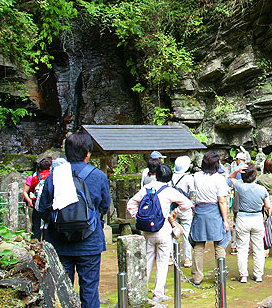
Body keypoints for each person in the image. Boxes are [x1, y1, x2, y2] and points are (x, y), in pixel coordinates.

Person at [38, 132, 111, 308]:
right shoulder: (98, 176)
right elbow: (105, 206)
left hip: (60, 241)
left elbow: (42, 207)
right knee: (89, 289)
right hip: (90, 241)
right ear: (88, 152)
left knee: (62, 290)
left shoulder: (55, 175)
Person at [127, 164, 192, 303]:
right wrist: (174, 212)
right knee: (162, 263)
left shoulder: (146, 188)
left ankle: (141, 291)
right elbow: (187, 204)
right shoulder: (169, 191)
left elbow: (131, 204)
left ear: (155, 174)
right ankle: (158, 293)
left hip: (146, 231)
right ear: (169, 177)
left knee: (147, 261)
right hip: (163, 230)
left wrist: (139, 218)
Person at [189, 151, 231, 285]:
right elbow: (222, 201)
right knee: (219, 244)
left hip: (200, 212)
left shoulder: (196, 176)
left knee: (198, 245)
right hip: (215, 212)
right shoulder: (219, 178)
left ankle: (197, 277)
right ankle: (220, 275)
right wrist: (225, 220)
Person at [230, 163, 270, 282]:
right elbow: (267, 205)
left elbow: (231, 177)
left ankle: (243, 275)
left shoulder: (240, 187)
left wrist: (237, 170)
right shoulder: (261, 189)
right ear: (255, 175)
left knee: (242, 248)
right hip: (257, 218)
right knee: (258, 248)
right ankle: (258, 275)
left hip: (242, 218)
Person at [170, 155, 195, 267]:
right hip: (185, 208)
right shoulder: (188, 178)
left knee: (173, 232)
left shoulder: (170, 177)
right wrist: (189, 199)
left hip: (173, 208)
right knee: (186, 233)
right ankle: (187, 259)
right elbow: (192, 191)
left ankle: (171, 257)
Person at [22, 156, 52, 240]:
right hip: (49, 206)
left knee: (36, 227)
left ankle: (34, 246)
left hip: (36, 205)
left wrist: (30, 202)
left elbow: (24, 192)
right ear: (50, 167)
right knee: (48, 228)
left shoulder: (32, 177)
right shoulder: (52, 176)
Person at [228, 152, 248, 254]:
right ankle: (246, 247)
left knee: (236, 222)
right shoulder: (249, 168)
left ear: (238, 160)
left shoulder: (235, 170)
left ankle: (234, 246)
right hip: (248, 195)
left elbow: (228, 181)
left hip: (237, 194)